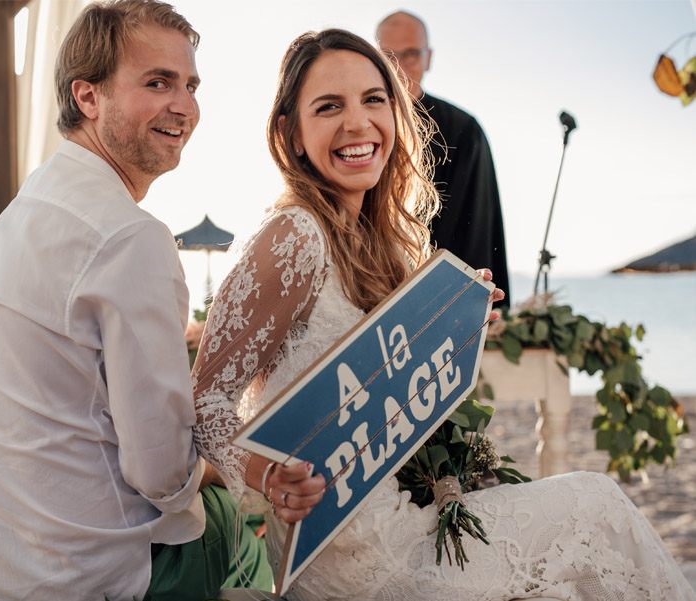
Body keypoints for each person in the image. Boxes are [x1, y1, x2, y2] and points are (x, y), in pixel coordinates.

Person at [191, 28, 695, 600]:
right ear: (292, 133)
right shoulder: (294, 235)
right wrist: (269, 477)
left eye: (373, 99)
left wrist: (453, 326)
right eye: (329, 106)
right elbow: (203, 399)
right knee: (596, 505)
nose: (357, 123)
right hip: (353, 556)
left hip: (406, 523)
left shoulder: (383, 241)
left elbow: (392, 400)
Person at [0, 2, 317, 599]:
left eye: (190, 85)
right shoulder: (129, 237)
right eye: (157, 82)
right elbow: (160, 471)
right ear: (88, 97)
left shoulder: (31, 207)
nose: (183, 106)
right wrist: (229, 473)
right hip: (85, 573)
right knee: (233, 518)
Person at [377, 10, 511, 308]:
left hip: (441, 298)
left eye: (411, 55)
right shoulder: (362, 128)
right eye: (388, 56)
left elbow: (479, 225)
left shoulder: (464, 131)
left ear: (428, 58)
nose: (399, 67)